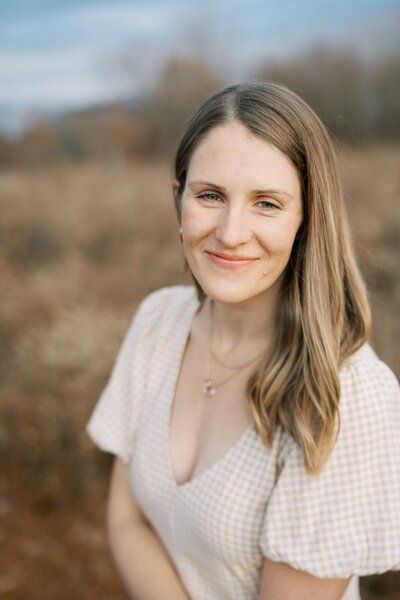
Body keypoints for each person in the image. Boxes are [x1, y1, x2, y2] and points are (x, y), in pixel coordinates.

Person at [86, 82, 400, 600]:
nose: (231, 232)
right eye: (210, 195)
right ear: (179, 196)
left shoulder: (348, 395)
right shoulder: (159, 321)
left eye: (267, 204)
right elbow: (127, 519)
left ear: (307, 218)